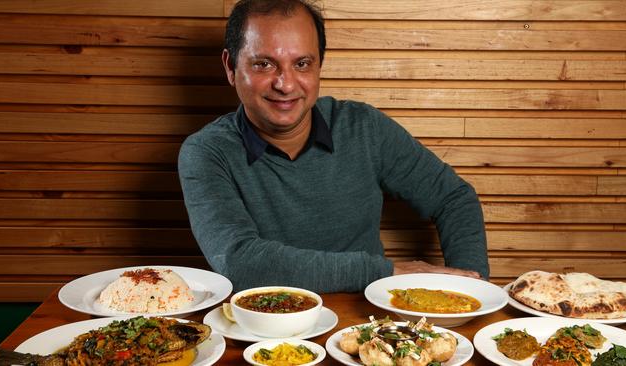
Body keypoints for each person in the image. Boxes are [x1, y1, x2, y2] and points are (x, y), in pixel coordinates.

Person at [178, 0, 489, 293]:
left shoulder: (363, 127)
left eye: (302, 63)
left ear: (318, 67)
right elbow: (241, 262)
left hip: (367, 330)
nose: (286, 84)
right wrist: (383, 272)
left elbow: (453, 198)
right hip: (264, 334)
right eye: (264, 65)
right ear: (230, 67)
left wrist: (472, 293)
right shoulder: (206, 153)